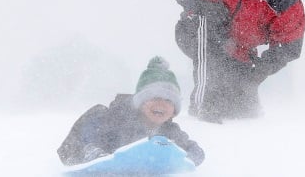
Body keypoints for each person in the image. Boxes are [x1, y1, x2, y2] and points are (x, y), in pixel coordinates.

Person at [164, 0, 305, 123]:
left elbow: (290, 45)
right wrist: (199, 6)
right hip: (196, 31)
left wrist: (258, 70)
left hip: (238, 51)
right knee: (211, 46)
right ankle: (202, 108)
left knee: (245, 109)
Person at [57, 56, 205, 167]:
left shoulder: (170, 131)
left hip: (140, 165)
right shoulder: (117, 118)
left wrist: (187, 158)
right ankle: (91, 153)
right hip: (87, 152)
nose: (161, 103)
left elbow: (194, 149)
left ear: (174, 111)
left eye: (169, 101)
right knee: (97, 113)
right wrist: (93, 150)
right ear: (140, 103)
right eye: (154, 97)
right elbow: (90, 134)